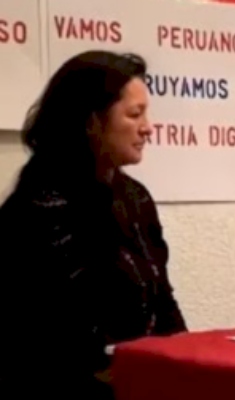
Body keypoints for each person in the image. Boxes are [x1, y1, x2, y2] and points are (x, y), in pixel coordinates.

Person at [0, 51, 187, 399]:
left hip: (138, 380)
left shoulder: (135, 197)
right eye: (134, 114)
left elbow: (163, 301)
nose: (148, 127)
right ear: (91, 121)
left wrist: (190, 365)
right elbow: (55, 332)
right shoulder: (38, 209)